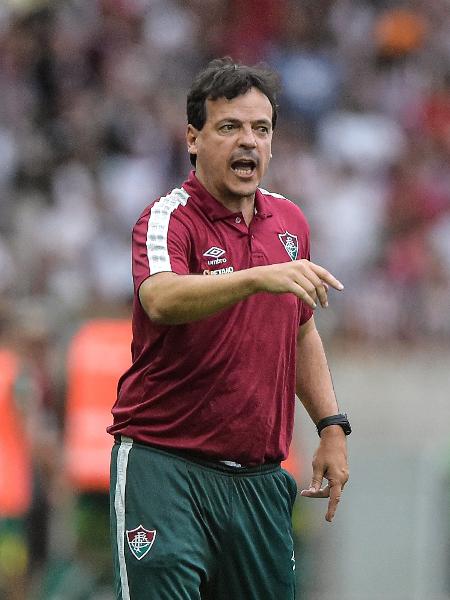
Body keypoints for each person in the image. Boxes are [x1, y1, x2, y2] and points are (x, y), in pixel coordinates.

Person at [108, 57, 350, 600]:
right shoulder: (169, 217)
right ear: (193, 139)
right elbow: (161, 298)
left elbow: (301, 329)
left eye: (260, 129)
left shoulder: (291, 222)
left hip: (260, 479)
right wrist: (256, 277)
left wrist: (332, 426)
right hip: (165, 465)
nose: (249, 142)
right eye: (229, 127)